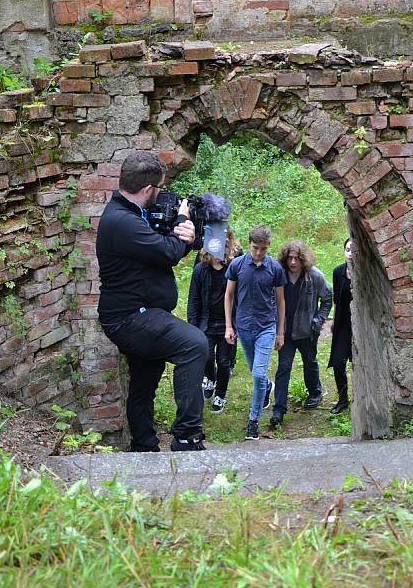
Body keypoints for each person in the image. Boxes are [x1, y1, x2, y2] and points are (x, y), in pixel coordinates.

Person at [95, 151, 209, 453]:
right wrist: (183, 223)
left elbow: (163, 255)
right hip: (131, 318)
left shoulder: (130, 215)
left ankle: (144, 445)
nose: (159, 195)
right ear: (148, 189)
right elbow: (169, 252)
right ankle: (187, 435)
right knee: (194, 344)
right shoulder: (122, 222)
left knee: (144, 381)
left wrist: (188, 237)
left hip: (141, 314)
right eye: (158, 189)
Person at [224, 224, 286, 441]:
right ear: (249, 244)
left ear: (268, 246)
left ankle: (253, 421)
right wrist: (229, 326)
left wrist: (280, 332)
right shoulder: (238, 265)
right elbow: (229, 295)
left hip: (266, 327)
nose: (259, 252)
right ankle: (268, 387)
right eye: (255, 248)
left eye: (263, 249)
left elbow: (280, 300)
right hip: (244, 326)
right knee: (254, 370)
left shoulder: (275, 269)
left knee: (258, 373)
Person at [270, 240, 332, 427]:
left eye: (297, 258)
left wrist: (317, 321)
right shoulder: (279, 276)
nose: (293, 262)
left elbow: (327, 298)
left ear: (303, 259)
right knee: (284, 367)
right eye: (290, 258)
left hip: (307, 331)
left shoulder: (314, 276)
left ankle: (314, 392)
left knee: (310, 362)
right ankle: (278, 410)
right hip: (286, 331)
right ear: (285, 258)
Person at [187, 230, 242, 413]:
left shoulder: (233, 269)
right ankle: (210, 378)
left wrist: (236, 324)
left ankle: (220, 395)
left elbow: (240, 297)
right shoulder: (200, 270)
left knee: (224, 362)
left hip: (227, 324)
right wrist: (193, 326)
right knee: (208, 357)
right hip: (206, 323)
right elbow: (193, 300)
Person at [328, 238, 354, 415]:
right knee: (338, 363)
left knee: (359, 363)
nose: (350, 253)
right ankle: (343, 399)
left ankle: (362, 396)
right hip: (343, 323)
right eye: (347, 249)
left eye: (353, 250)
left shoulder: (365, 273)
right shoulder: (338, 272)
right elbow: (336, 299)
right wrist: (334, 322)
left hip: (361, 325)